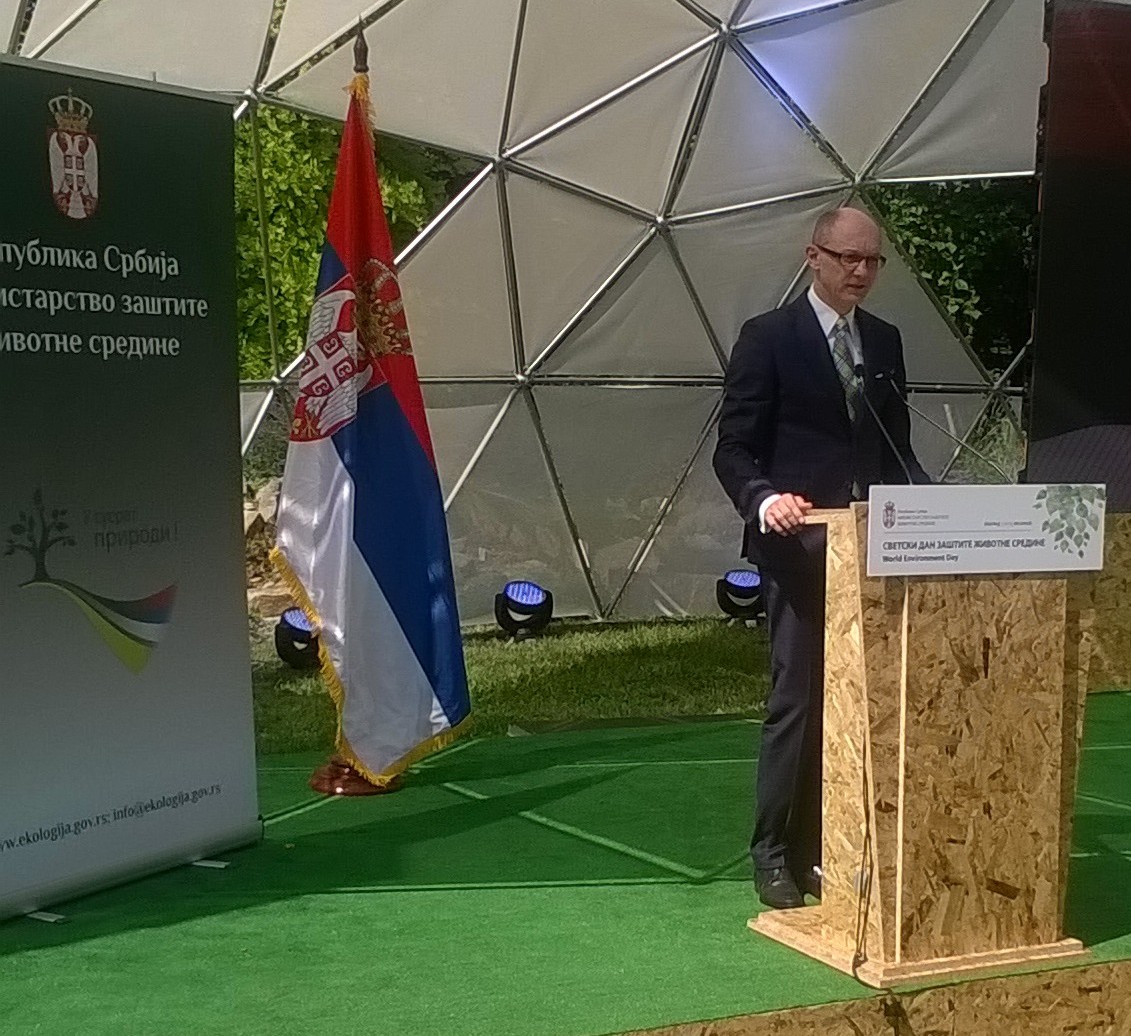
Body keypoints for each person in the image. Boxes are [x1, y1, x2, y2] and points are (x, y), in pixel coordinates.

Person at [713, 207, 929, 909]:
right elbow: (733, 447)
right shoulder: (769, 337)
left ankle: (821, 848)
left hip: (871, 551)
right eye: (847, 258)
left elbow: (896, 450)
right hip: (799, 551)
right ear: (813, 256)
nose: (860, 272)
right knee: (799, 699)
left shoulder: (883, 342)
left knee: (858, 703)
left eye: (872, 261)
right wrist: (763, 497)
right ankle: (772, 852)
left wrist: (936, 510)